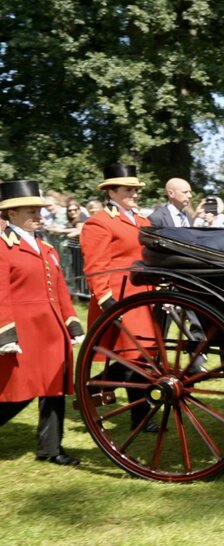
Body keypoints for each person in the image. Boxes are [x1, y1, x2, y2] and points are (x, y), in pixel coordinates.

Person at [0, 180, 87, 466]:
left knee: (54, 389)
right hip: (22, 331)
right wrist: (5, 333)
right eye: (31, 211)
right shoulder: (2, 248)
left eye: (39, 210)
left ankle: (51, 449)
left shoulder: (47, 248)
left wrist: (73, 324)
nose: (39, 216)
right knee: (15, 393)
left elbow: (60, 290)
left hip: (51, 331)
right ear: (12, 214)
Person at [79, 164, 158, 431]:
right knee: (134, 358)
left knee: (143, 358)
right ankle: (95, 390)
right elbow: (95, 266)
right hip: (120, 298)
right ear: (111, 192)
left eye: (136, 189)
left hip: (143, 297)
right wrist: (107, 301)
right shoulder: (99, 222)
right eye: (128, 190)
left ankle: (137, 415)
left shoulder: (142, 221)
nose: (135, 194)